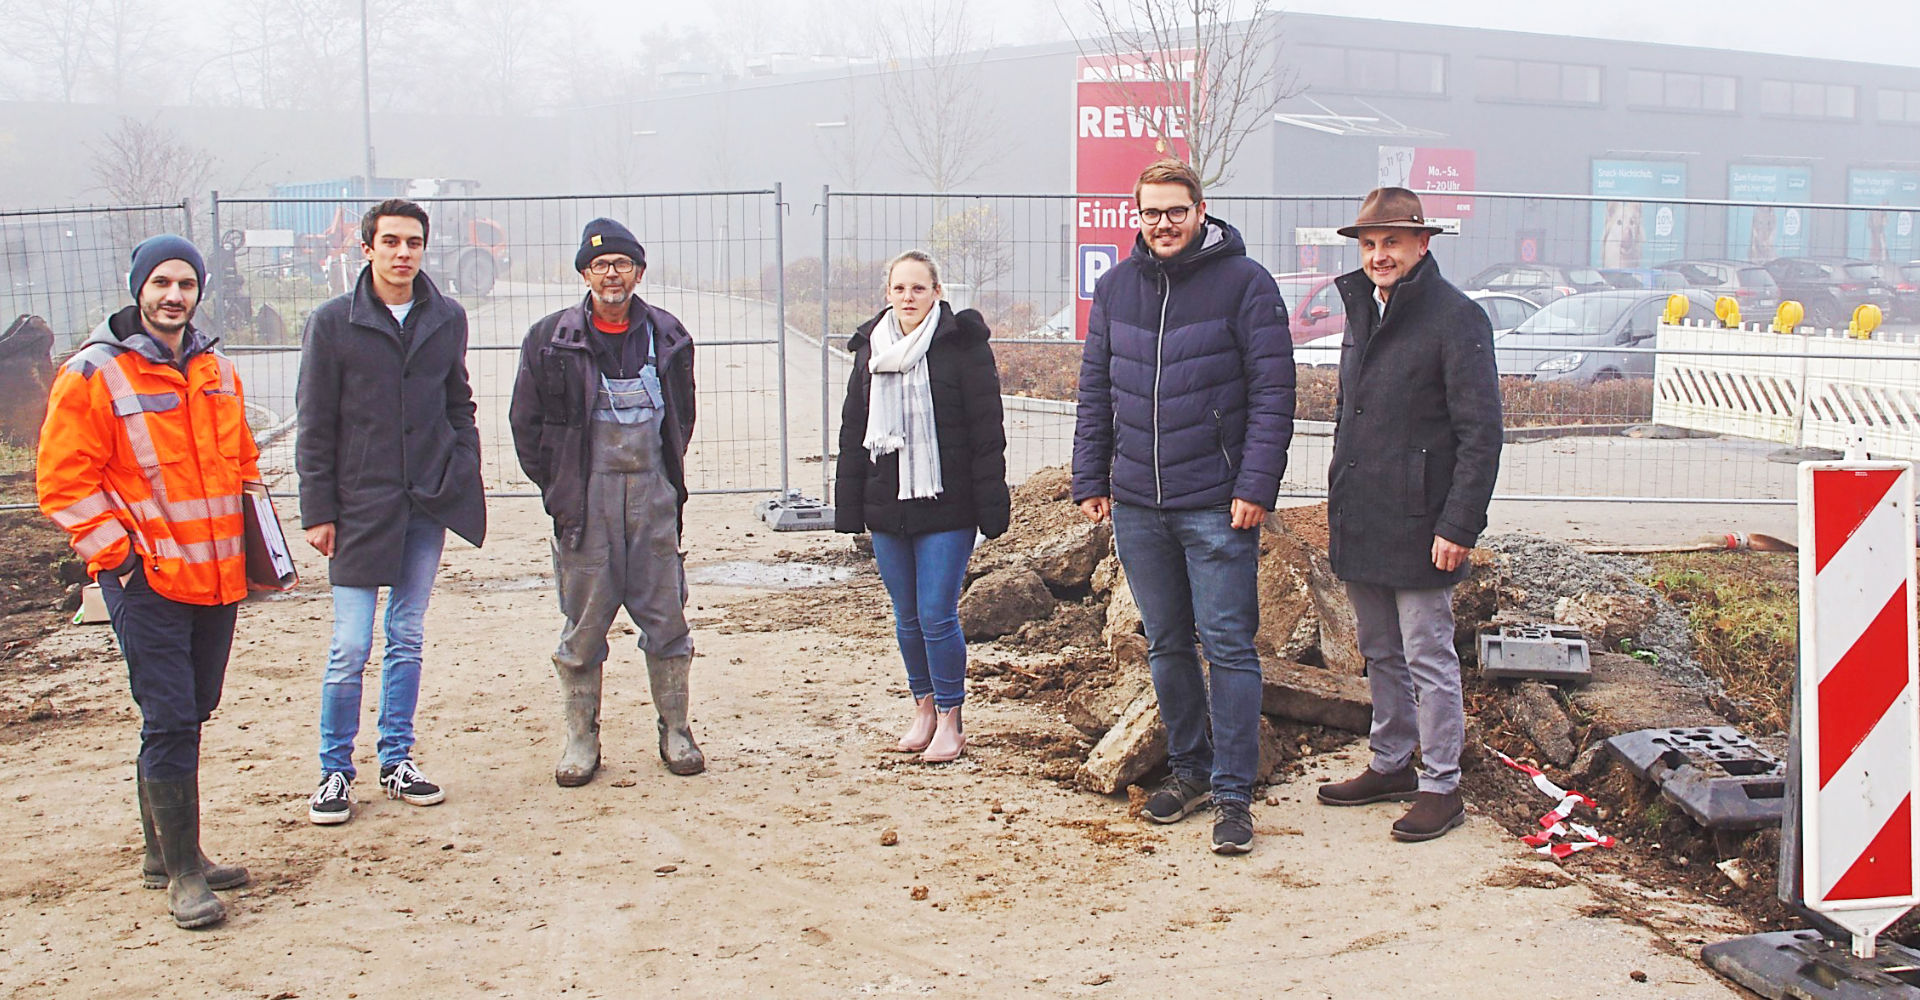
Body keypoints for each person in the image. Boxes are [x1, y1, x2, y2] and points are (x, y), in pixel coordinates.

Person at [1072, 159, 1295, 855]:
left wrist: (1255, 485)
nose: (1162, 225)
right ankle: (1190, 771)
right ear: (1135, 216)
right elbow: (1096, 391)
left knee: (1228, 646)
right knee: (1167, 643)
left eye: (1175, 211)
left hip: (1216, 504)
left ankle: (1233, 792)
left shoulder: (1246, 285)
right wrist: (1090, 477)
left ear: (1201, 211)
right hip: (1139, 501)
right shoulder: (1116, 290)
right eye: (1150, 213)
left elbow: (1273, 394)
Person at [37, 234, 256, 928]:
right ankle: (184, 875)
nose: (174, 295)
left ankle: (166, 852)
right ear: (139, 289)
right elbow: (63, 483)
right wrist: (121, 557)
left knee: (193, 709)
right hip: (147, 582)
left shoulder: (216, 368)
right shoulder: (94, 374)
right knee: (167, 719)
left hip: (215, 577)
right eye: (161, 282)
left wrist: (261, 552)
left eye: (186, 284)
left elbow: (242, 464)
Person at [1314, 187, 1502, 842]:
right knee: (1379, 651)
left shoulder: (1457, 319)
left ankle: (1441, 783)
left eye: (1391, 242)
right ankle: (1391, 761)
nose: (1378, 256)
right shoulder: (1363, 312)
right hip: (1363, 513)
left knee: (1427, 653)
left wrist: (1458, 525)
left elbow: (1481, 434)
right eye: (1369, 245)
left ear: (1423, 244)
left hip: (1424, 522)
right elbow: (1351, 415)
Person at [297, 198, 487, 826]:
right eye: (392, 242)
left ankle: (397, 760)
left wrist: (460, 466)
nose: (403, 253)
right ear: (367, 248)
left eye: (414, 243)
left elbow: (458, 402)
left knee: (406, 633)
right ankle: (333, 772)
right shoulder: (333, 323)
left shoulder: (446, 317)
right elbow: (315, 423)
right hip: (358, 506)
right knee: (351, 644)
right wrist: (318, 509)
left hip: (426, 501)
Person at [508, 218, 703, 786]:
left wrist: (663, 485)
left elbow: (681, 418)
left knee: (666, 616)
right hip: (586, 501)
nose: (611, 274)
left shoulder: (668, 337)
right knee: (585, 622)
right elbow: (527, 423)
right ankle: (581, 737)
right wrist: (560, 487)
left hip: (653, 498)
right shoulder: (552, 340)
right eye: (600, 265)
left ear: (639, 272)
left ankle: (676, 730)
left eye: (622, 264)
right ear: (584, 274)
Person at [834, 251, 1010, 763]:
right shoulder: (871, 348)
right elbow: (852, 430)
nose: (908, 298)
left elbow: (986, 430)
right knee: (906, 617)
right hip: (887, 503)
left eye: (918, 288)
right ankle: (924, 708)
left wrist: (992, 503)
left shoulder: (963, 346)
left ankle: (953, 719)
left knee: (936, 614)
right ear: (887, 292)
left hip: (948, 504)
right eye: (899, 288)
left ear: (937, 291)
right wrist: (848, 507)